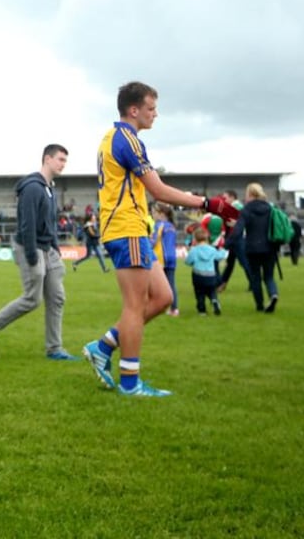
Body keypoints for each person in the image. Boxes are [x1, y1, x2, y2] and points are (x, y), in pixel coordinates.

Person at [80, 82, 222, 397]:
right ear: (134, 110)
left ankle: (103, 347)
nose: (155, 114)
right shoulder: (127, 140)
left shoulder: (114, 137)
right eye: (151, 108)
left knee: (163, 297)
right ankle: (130, 383)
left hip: (135, 229)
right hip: (126, 229)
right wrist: (205, 203)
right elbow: (158, 190)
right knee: (134, 306)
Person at [0, 144, 80, 361]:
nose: (63, 164)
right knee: (32, 299)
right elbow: (27, 224)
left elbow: (49, 223)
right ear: (47, 159)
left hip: (48, 249)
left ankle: (55, 349)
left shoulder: (50, 187)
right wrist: (32, 255)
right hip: (31, 247)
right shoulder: (32, 187)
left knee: (57, 297)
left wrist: (56, 250)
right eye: (60, 159)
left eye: (65, 161)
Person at [235, 183, 280, 313]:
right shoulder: (270, 208)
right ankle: (273, 294)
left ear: (250, 194)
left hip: (252, 248)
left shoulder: (246, 209)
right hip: (269, 247)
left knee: (255, 278)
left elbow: (239, 230)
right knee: (269, 276)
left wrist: (228, 243)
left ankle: (260, 305)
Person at [184, 227, 227, 316]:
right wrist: (222, 250)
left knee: (199, 293)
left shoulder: (194, 250)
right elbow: (219, 256)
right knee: (211, 290)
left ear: (195, 238)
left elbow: (188, 261)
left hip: (198, 275)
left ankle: (202, 310)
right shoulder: (211, 249)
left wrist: (192, 261)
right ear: (206, 238)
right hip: (211, 275)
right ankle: (214, 300)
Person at [152, 203, 178, 315]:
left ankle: (156, 307)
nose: (153, 215)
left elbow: (154, 242)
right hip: (172, 257)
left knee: (155, 284)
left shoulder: (159, 225)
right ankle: (174, 309)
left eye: (154, 212)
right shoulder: (171, 226)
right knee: (171, 284)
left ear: (161, 214)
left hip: (162, 258)